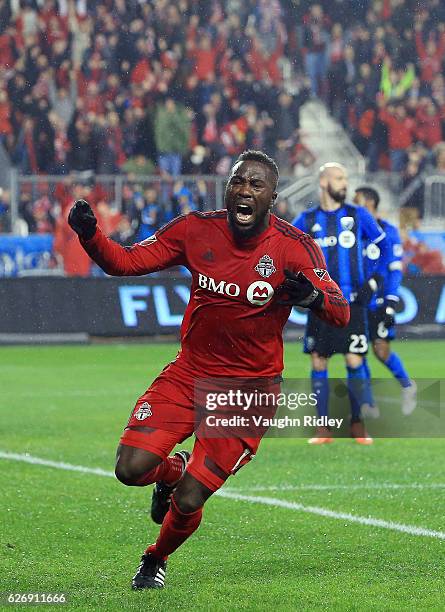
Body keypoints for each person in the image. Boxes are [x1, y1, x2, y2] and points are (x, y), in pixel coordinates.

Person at [68, 150, 349, 590]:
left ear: (272, 197)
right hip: (190, 373)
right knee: (131, 469)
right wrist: (90, 236)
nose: (245, 190)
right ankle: (173, 470)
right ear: (228, 187)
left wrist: (312, 299)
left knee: (190, 498)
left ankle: (154, 557)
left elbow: (341, 311)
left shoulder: (295, 248)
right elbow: (124, 262)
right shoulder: (195, 229)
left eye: (256, 185)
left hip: (249, 392)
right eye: (239, 181)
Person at [293, 163, 385, 445]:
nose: (344, 183)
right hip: (320, 303)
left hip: (352, 302)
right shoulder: (306, 220)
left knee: (354, 358)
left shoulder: (358, 215)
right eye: (339, 178)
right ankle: (323, 429)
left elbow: (381, 245)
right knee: (319, 360)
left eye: (345, 178)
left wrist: (372, 281)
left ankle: (357, 426)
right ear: (323, 181)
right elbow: (285, 250)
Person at [353, 187, 417, 417]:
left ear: (370, 203)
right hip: (359, 301)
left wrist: (390, 301)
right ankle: (369, 404)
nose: (353, 204)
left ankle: (408, 386)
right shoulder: (353, 232)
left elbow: (394, 270)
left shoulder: (388, 231)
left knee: (381, 350)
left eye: (357, 200)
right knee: (357, 351)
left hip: (378, 301)